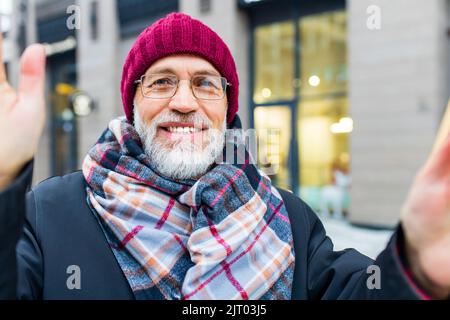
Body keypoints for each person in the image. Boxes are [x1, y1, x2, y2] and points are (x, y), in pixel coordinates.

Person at [0, 13, 449, 300]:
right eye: (160, 82)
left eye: (205, 83)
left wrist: (413, 271)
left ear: (227, 109)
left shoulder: (287, 216)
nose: (184, 102)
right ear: (132, 107)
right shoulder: (51, 211)